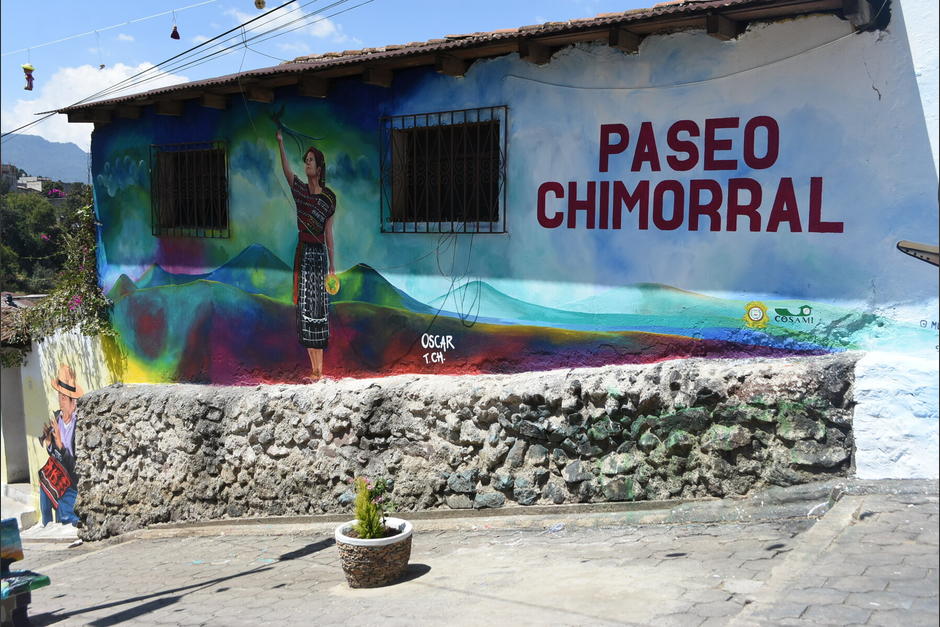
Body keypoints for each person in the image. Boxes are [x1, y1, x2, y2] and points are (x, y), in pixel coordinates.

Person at [275, 128, 337, 380]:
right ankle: (314, 370)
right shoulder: (300, 192)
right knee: (305, 310)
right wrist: (280, 143)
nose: (306, 164)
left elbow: (329, 234)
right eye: (306, 161)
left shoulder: (329, 199)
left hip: (318, 256)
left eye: (310, 161)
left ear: (319, 167)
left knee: (318, 309)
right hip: (303, 256)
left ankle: (319, 370)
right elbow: (287, 172)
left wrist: (332, 266)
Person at [38, 363, 83, 526]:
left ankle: (68, 518)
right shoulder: (57, 419)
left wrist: (60, 444)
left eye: (64, 398)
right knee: (44, 477)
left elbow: (73, 460)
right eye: (59, 397)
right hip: (60, 469)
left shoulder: (79, 424)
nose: (61, 402)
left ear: (73, 402)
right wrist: (50, 443)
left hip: (73, 472)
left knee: (58, 483)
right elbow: (53, 452)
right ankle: (47, 523)